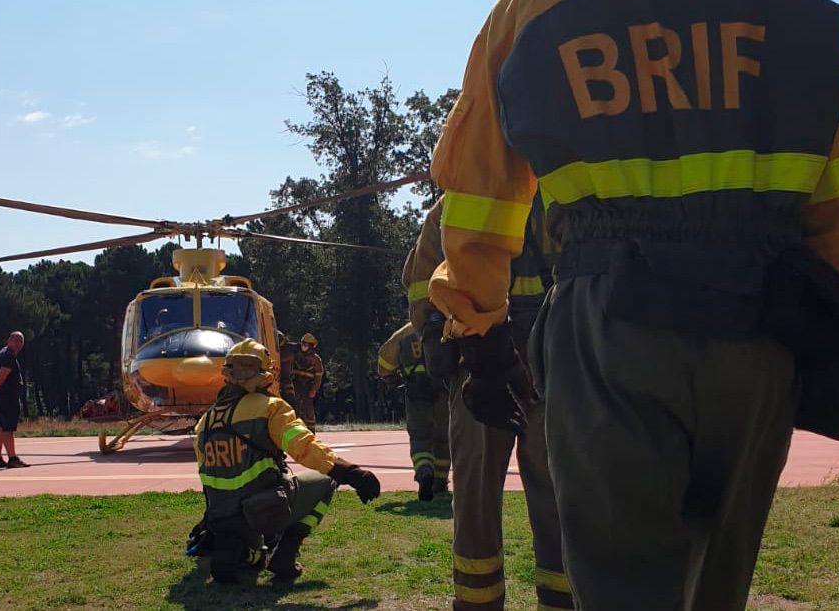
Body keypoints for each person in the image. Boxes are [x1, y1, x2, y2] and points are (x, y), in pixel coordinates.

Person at [427, 0, 839, 608]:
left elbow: (478, 194)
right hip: (758, 321)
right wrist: (809, 316)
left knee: (618, 586)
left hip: (607, 322)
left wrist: (478, 328)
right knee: (717, 588)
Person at [406, 197, 572, 610]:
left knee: (482, 505)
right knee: (555, 505)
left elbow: (420, 288)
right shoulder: (559, 183)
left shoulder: (457, 201)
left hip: (484, 366)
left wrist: (438, 338)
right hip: (539, 367)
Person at [191, 338, 381, 584]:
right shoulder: (271, 408)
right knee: (325, 481)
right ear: (266, 371)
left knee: (254, 554)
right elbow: (305, 447)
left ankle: (244, 554)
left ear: (227, 372)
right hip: (261, 512)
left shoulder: (205, 421)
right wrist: (351, 473)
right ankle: (285, 555)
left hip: (220, 517)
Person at [377, 323, 450, 501]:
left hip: (416, 393)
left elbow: (384, 363)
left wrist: (392, 377)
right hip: (444, 391)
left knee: (420, 437)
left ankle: (424, 471)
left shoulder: (405, 332)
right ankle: (439, 483)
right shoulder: (448, 324)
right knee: (443, 437)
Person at [0, 331, 30, 469]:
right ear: (8, 340)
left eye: (21, 341)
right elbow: (2, 376)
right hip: (7, 397)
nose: (18, 344)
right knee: (7, 429)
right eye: (15, 340)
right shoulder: (8, 356)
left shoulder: (1, 354)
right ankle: (12, 458)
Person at [290, 333, 323, 433]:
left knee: (308, 410)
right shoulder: (295, 354)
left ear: (312, 346)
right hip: (295, 385)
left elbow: (318, 377)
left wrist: (313, 390)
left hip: (307, 387)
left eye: (306, 344)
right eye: (302, 343)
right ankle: (296, 431)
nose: (303, 346)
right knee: (294, 408)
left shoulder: (316, 359)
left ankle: (311, 432)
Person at [275, 330, 300, 408]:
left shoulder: (286, 352)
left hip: (285, 382)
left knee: (290, 402)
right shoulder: (286, 351)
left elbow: (279, 359)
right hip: (279, 380)